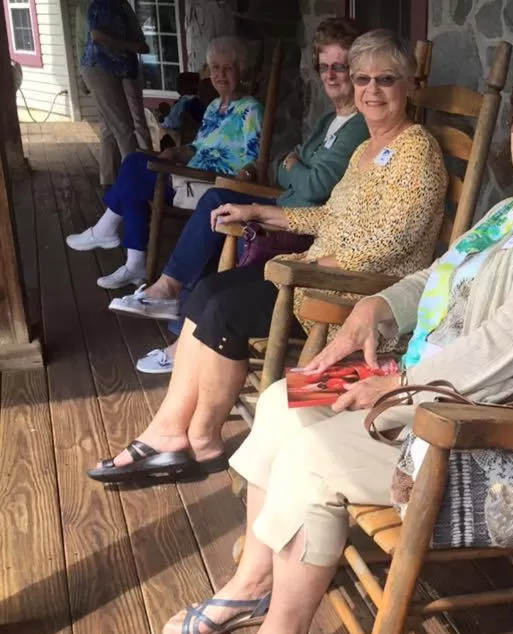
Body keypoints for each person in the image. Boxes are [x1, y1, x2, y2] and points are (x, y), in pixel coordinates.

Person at [163, 48, 513, 634]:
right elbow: (436, 277)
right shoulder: (508, 213)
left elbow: (508, 346)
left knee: (315, 453)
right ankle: (251, 585)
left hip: (510, 448)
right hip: (439, 399)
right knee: (283, 400)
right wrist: (372, 310)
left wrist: (395, 388)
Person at [87, 29, 447, 486]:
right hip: (317, 273)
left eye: (386, 80)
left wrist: (316, 266)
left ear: (409, 85)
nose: (371, 91)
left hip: (350, 297)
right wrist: (262, 212)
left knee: (224, 307)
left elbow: (390, 244)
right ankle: (174, 431)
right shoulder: (364, 149)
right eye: (363, 79)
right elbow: (330, 216)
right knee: (209, 291)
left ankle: (197, 439)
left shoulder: (418, 153)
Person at [107, 18, 371, 375]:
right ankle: (174, 308)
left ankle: (176, 317)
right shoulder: (330, 121)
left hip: (304, 225)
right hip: (285, 207)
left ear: (356, 69)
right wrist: (293, 167)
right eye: (324, 67)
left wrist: (292, 168)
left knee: (220, 209)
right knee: (219, 208)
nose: (331, 75)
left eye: (340, 67)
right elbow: (280, 162)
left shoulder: (359, 126)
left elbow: (317, 185)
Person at [67, 36, 264, 291]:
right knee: (134, 172)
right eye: (215, 68)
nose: (221, 74)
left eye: (228, 68)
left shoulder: (251, 109)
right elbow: (198, 147)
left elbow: (252, 160)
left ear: (241, 71)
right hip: (189, 175)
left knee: (135, 168)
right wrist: (175, 152)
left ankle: (117, 243)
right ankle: (129, 256)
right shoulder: (215, 106)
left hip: (209, 186)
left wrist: (237, 181)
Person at [78, 0, 151, 187]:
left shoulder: (120, 5)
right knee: (123, 126)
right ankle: (135, 183)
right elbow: (95, 35)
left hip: (116, 69)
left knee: (110, 127)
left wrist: (133, 45)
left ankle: (109, 181)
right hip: (100, 67)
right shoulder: (102, 4)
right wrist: (129, 45)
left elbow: (139, 42)